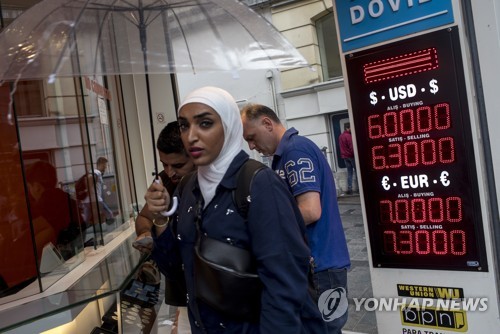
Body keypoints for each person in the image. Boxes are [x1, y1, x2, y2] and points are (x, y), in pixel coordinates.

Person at [145, 86, 326, 333]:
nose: (191, 136)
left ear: (229, 126)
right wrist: (159, 219)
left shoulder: (259, 184)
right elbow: (178, 270)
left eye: (205, 124)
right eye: (184, 126)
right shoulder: (188, 188)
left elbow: (284, 286)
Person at [241, 104, 351, 333]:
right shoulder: (288, 152)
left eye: (251, 137)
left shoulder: (295, 151)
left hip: (321, 266)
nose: (252, 146)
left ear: (267, 124)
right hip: (320, 264)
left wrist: (264, 225)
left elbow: (311, 211)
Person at [134, 121, 195, 334]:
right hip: (181, 284)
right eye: (164, 164)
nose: (169, 172)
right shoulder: (165, 180)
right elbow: (143, 216)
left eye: (177, 165)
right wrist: (145, 232)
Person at [25, 160, 84, 259]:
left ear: (37, 187)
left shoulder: (44, 205)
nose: (29, 192)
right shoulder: (66, 199)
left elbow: (28, 245)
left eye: (29, 187)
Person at [81, 156, 114, 224]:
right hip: (96, 199)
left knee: (86, 220)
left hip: (87, 201)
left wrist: (88, 191)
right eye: (105, 165)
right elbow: (89, 178)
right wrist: (90, 191)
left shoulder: (94, 172)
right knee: (110, 214)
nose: (106, 167)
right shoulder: (97, 172)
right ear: (101, 164)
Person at [339, 122, 355, 195]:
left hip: (345, 157)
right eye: (351, 128)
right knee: (358, 172)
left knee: (350, 173)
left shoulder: (340, 136)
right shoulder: (349, 136)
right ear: (347, 128)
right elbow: (352, 147)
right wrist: (354, 154)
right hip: (351, 156)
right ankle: (362, 188)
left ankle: (350, 188)